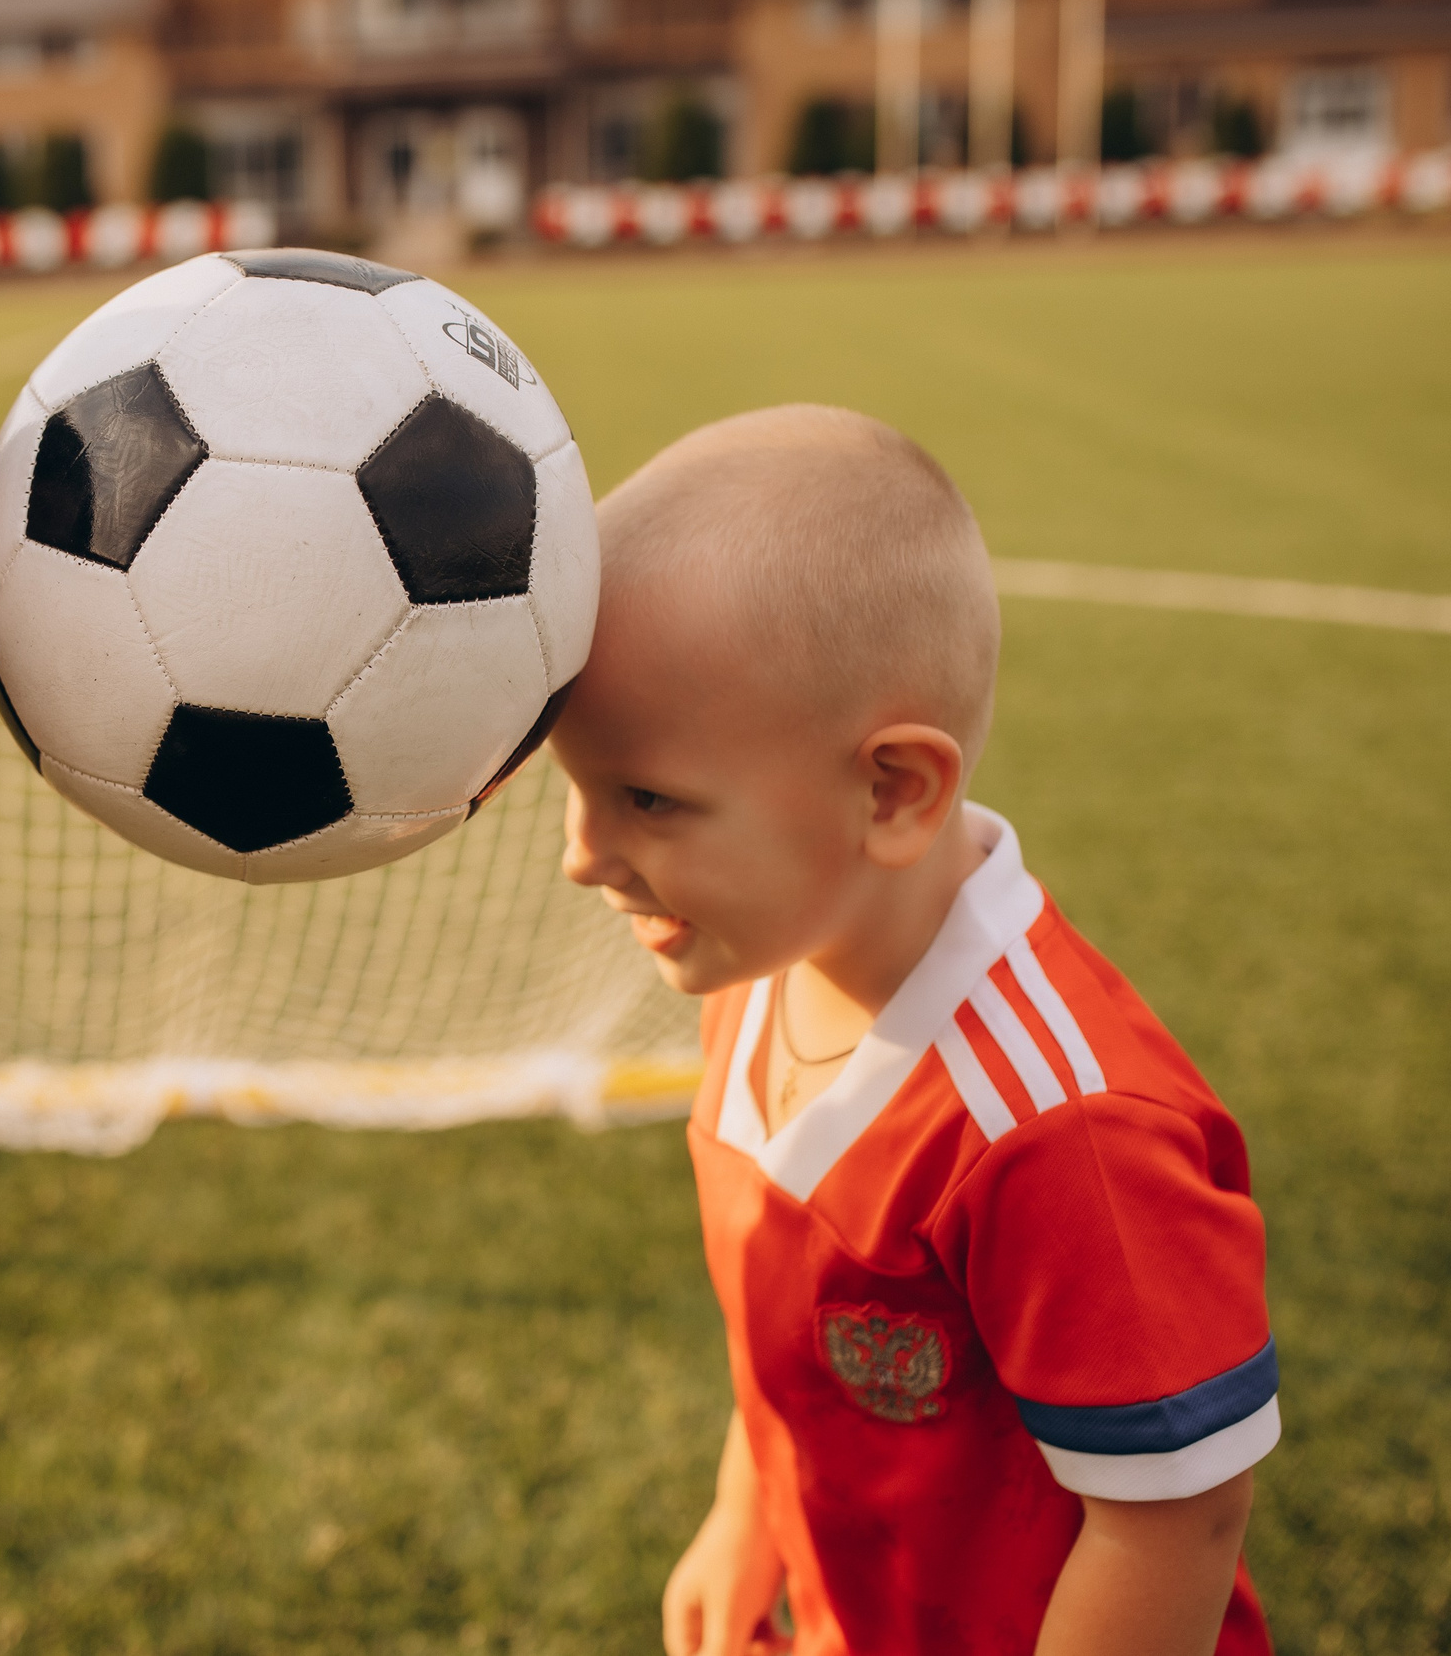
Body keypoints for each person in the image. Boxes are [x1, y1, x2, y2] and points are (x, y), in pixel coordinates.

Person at [545, 405, 1277, 1656]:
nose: (581, 857)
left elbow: (1176, 1518)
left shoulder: (1059, 1133)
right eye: (577, 788)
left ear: (891, 791)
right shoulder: (758, 965)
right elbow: (788, 1347)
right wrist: (745, 1518)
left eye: (647, 799)